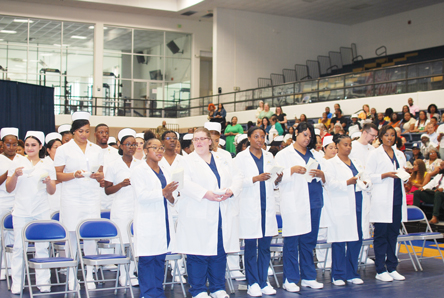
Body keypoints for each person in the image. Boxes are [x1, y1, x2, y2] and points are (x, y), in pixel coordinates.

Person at [175, 128, 241, 298]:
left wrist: (231, 190)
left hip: (221, 211)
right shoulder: (185, 161)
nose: (199, 142)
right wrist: (206, 194)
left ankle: (218, 287)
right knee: (198, 253)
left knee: (219, 251)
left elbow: (238, 177)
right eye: (196, 139)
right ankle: (198, 290)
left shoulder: (223, 158)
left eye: (203, 138)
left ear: (210, 141)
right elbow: (183, 183)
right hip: (198, 211)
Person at [54, 111, 104, 290]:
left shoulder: (96, 149)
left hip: (91, 197)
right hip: (72, 198)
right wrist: (73, 174)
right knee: (72, 236)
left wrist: (99, 176)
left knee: (89, 235)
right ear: (74, 131)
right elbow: (58, 174)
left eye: (87, 131)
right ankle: (70, 276)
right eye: (80, 131)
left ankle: (89, 275)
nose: (84, 134)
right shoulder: (63, 149)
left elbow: (101, 173)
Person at [275, 122, 325, 292]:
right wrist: (292, 170)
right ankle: (290, 279)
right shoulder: (284, 154)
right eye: (304, 134)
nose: (307, 138)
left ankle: (309, 277)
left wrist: (320, 174)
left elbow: (325, 177)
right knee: (292, 241)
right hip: (294, 202)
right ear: (296, 133)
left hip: (314, 200)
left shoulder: (315, 154)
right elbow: (276, 178)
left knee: (309, 242)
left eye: (309, 136)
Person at [6, 131, 57, 294]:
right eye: (27, 145)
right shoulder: (17, 163)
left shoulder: (47, 165)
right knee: (19, 247)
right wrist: (15, 174)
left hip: (41, 210)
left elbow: (52, 191)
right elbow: (9, 188)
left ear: (40, 146)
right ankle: (17, 283)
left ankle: (43, 283)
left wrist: (49, 182)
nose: (29, 148)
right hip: (21, 211)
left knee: (42, 247)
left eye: (33, 145)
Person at [234, 126, 283, 296]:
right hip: (250, 207)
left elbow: (274, 181)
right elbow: (237, 181)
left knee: (264, 247)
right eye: (256, 136)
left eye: (263, 136)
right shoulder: (241, 158)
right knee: (250, 247)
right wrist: (255, 178)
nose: (260, 140)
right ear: (249, 138)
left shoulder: (269, 156)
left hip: (266, 207)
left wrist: (278, 179)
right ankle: (252, 282)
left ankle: (263, 281)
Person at [131, 132, 179, 297]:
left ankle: (158, 292)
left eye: (161, 148)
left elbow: (169, 197)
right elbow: (142, 196)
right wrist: (163, 192)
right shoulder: (138, 170)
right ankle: (149, 293)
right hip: (147, 219)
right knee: (147, 259)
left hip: (163, 220)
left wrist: (171, 195)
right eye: (155, 148)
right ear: (145, 150)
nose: (159, 151)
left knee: (160, 259)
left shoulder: (165, 170)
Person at [323, 134, 371, 286]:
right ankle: (338, 274)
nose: (348, 147)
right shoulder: (330, 164)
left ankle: (352, 273)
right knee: (339, 240)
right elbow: (329, 184)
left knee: (356, 239)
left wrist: (365, 182)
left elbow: (366, 177)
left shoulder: (355, 162)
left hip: (357, 202)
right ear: (337, 146)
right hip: (341, 206)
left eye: (350, 144)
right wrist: (347, 182)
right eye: (345, 144)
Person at [365, 125, 407, 282]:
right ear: (380, 137)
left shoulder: (400, 154)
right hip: (382, 200)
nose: (390, 138)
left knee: (393, 235)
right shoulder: (374, 154)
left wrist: (405, 176)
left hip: (396, 199)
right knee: (381, 235)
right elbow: (367, 176)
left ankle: (392, 267)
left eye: (392, 135)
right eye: (387, 135)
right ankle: (380, 269)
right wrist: (384, 175)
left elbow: (402, 171)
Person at [104, 128, 140, 286]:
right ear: (120, 146)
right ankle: (122, 273)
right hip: (121, 208)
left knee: (135, 243)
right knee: (122, 243)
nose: (131, 147)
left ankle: (132, 272)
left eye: (134, 144)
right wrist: (121, 184)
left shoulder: (141, 164)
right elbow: (107, 190)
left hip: (138, 208)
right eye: (128, 144)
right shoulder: (113, 165)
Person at [159, 129, 189, 283]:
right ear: (162, 141)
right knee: (166, 238)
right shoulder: (157, 160)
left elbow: (187, 183)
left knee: (180, 238)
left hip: (180, 202)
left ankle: (179, 270)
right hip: (160, 203)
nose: (172, 140)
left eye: (174, 138)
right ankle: (166, 267)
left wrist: (176, 195)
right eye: (168, 138)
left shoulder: (184, 160)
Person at [349, 123, 378, 265]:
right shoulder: (352, 147)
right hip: (357, 189)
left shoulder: (373, 149)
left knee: (368, 224)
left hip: (370, 188)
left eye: (375, 136)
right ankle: (356, 255)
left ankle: (364, 254)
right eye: (372, 135)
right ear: (364, 132)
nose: (373, 138)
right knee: (359, 223)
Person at [0, 127, 26, 281]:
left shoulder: (23, 159)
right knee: (3, 235)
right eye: (8, 144)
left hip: (19, 202)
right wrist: (11, 172)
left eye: (14, 144)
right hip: (2, 201)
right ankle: (2, 268)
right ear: (2, 145)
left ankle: (11, 268)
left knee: (15, 237)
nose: (11, 148)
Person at [315, 135, 337, 269]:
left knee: (333, 231)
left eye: (335, 148)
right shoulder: (320, 162)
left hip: (336, 201)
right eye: (331, 148)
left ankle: (333, 259)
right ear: (324, 149)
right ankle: (322, 260)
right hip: (323, 199)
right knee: (322, 231)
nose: (334, 150)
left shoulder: (339, 162)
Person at [95, 123, 119, 210]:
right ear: (95, 134)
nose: (104, 135)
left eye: (106, 132)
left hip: (110, 197)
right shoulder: (90, 151)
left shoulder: (116, 153)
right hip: (94, 194)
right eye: (101, 132)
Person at [44, 132, 63, 213]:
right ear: (48, 150)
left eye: (60, 147)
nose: (59, 150)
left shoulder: (65, 163)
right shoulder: (44, 163)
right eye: (55, 147)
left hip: (64, 202)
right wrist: (64, 178)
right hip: (49, 202)